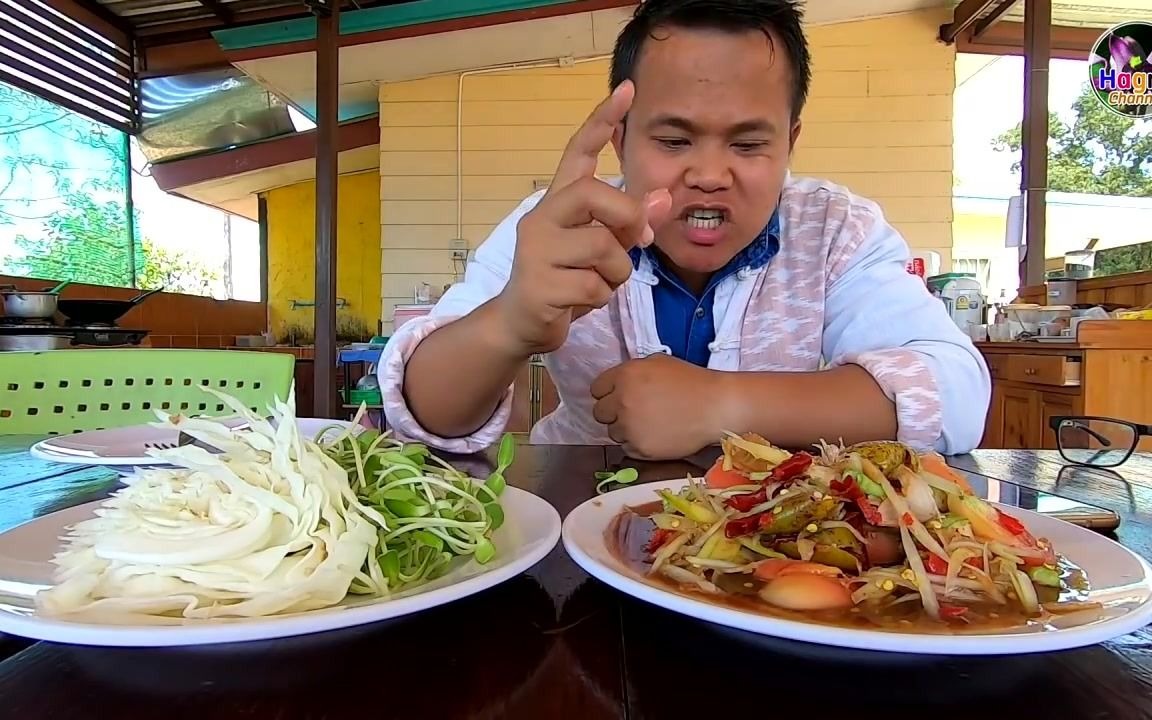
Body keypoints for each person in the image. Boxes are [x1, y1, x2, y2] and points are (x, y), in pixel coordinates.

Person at [378, 0, 991, 460]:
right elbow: (423, 413)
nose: (709, 174)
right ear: (620, 140)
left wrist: (722, 404)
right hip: (577, 523)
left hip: (780, 544)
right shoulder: (555, 224)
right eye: (673, 140)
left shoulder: (836, 230)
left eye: (749, 143)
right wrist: (511, 321)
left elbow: (956, 394)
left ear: (789, 146)